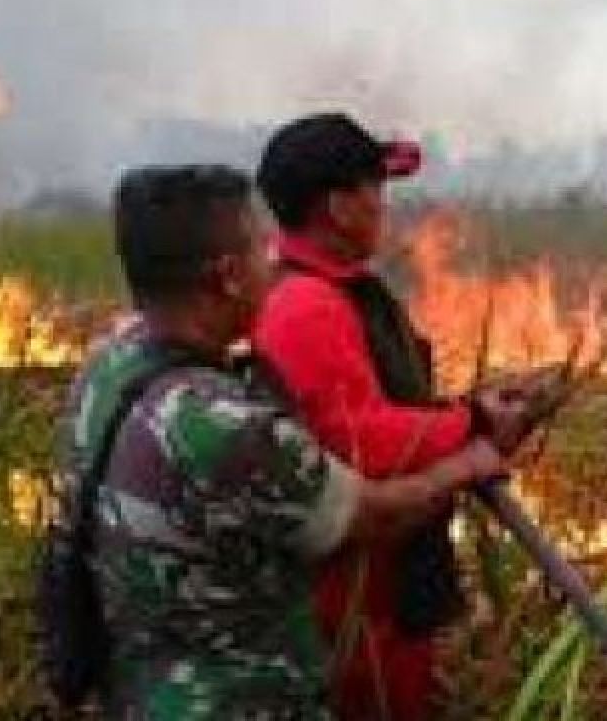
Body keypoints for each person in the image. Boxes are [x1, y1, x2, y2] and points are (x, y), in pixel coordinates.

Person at [59, 164, 510, 718]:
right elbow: (370, 518)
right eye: (260, 250)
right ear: (227, 276)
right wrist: (468, 462)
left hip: (137, 691)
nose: (273, 265)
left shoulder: (107, 368)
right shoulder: (222, 425)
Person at [253, 114, 535, 719]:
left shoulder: (332, 289)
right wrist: (471, 426)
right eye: (373, 187)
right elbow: (362, 440)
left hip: (380, 572)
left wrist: (466, 417)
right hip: (353, 589)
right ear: (338, 206)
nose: (382, 204)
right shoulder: (305, 306)